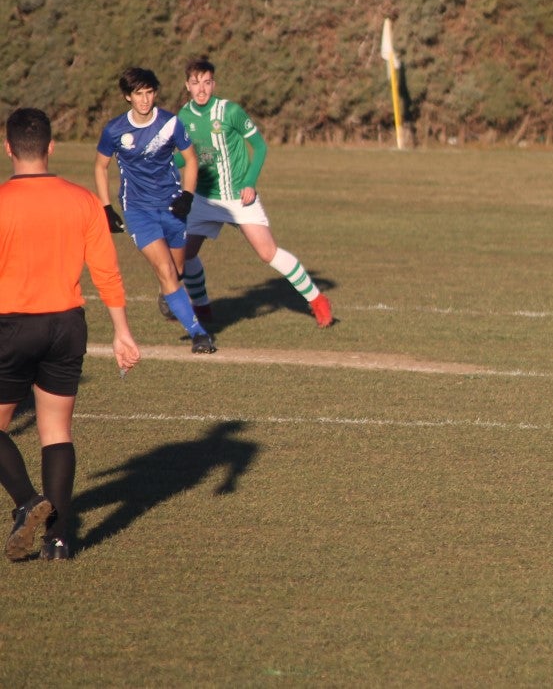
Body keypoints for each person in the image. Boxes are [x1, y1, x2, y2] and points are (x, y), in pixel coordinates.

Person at [0, 108, 142, 562]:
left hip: (11, 326)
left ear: (8, 148)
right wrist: (122, 332)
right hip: (66, 325)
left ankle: (27, 501)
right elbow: (107, 271)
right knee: (56, 430)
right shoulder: (83, 200)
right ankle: (59, 540)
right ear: (51, 147)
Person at [175, 58, 333, 328]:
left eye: (207, 83)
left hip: (238, 197)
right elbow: (185, 158)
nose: (201, 89)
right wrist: (162, 162)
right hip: (203, 198)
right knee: (184, 255)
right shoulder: (183, 117)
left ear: (214, 84)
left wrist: (249, 182)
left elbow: (259, 147)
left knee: (267, 253)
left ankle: (318, 301)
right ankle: (202, 308)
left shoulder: (230, 111)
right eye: (195, 83)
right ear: (187, 85)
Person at [94, 67, 215, 353]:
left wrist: (187, 196)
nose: (145, 99)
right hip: (138, 210)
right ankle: (198, 334)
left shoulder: (170, 123)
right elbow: (101, 166)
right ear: (128, 96)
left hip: (172, 206)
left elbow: (191, 160)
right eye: (139, 94)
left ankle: (167, 291)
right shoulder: (114, 130)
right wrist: (106, 207)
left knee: (177, 270)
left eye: (149, 93)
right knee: (165, 269)